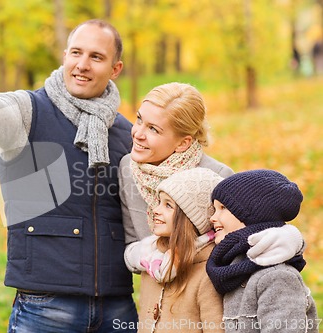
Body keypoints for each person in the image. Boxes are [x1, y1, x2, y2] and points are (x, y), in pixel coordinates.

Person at [0, 20, 138, 332]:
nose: (82, 65)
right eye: (76, 53)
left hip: (117, 307)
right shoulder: (28, 110)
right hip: (45, 307)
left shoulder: (128, 134)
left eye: (96, 57)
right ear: (64, 56)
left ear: (116, 69)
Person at [119, 83, 304, 275]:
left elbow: (239, 247)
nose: (137, 134)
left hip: (205, 290)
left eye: (153, 129)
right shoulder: (128, 168)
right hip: (157, 295)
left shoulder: (218, 177)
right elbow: (132, 244)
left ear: (183, 143)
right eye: (139, 119)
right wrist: (151, 258)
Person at [206, 169, 319, 333]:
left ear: (253, 215)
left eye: (223, 207)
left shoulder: (276, 277)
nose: (213, 218)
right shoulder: (236, 270)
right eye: (214, 209)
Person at [135, 167, 225, 332]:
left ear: (190, 219)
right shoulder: (152, 263)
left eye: (168, 205)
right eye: (159, 202)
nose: (156, 210)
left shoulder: (208, 274)